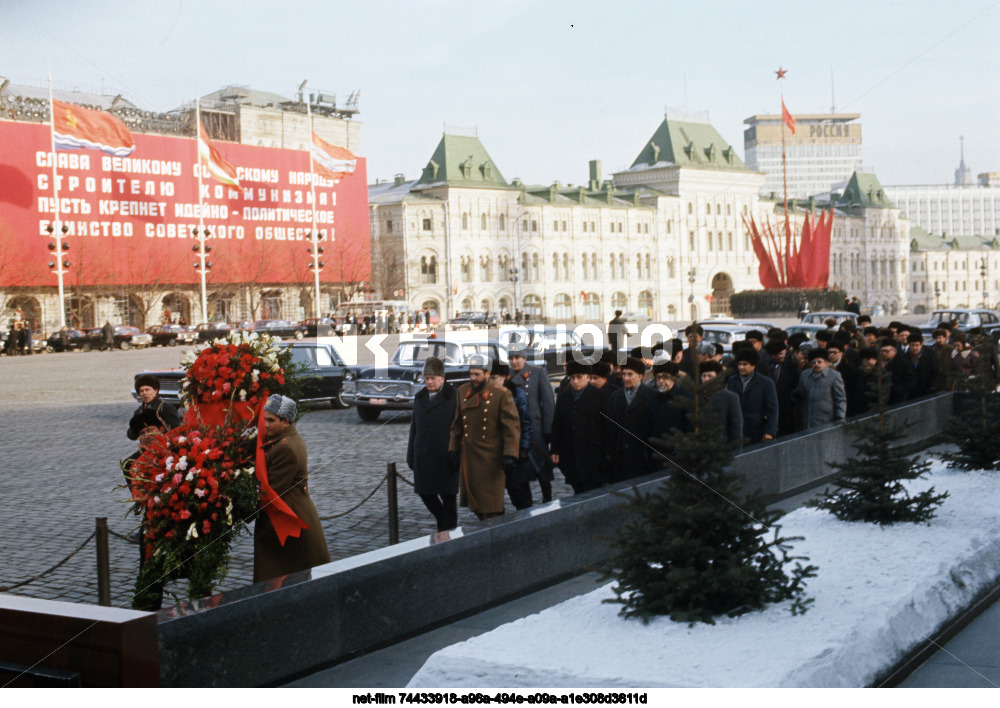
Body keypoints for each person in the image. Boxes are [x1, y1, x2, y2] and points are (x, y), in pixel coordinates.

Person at [254, 395, 331, 583]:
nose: (266, 425)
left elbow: (270, 494)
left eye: (271, 420)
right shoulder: (285, 440)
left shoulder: (285, 448)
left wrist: (239, 512)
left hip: (288, 527)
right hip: (289, 521)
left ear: (286, 421)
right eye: (265, 419)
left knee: (285, 583)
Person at [449, 355, 521, 520]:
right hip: (469, 459)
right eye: (471, 374)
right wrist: (453, 448)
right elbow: (457, 423)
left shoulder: (501, 395)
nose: (473, 378)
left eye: (477, 374)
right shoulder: (462, 391)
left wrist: (510, 454)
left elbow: (511, 427)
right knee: (478, 508)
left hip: (491, 460)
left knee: (490, 506)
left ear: (487, 374)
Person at [407, 357, 459, 532]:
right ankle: (444, 523)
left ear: (442, 379)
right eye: (426, 378)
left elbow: (460, 428)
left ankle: (448, 533)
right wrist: (411, 455)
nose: (428, 381)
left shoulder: (453, 396)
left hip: (446, 458)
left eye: (432, 378)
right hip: (424, 457)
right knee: (425, 492)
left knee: (449, 499)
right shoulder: (420, 397)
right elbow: (414, 428)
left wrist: (456, 454)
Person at [507, 344, 557, 503]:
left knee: (541, 464)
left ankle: (547, 496)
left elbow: (548, 402)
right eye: (511, 358)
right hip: (516, 429)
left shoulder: (537, 372)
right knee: (521, 468)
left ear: (524, 358)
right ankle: (526, 501)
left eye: (517, 358)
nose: (514, 362)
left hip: (536, 428)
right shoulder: (506, 376)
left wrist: (549, 429)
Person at [549, 360, 606, 494]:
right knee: (577, 488)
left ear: (587, 377)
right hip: (571, 454)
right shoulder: (563, 398)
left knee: (592, 490)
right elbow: (557, 425)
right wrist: (555, 449)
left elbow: (606, 427)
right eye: (572, 378)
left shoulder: (599, 396)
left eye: (579, 377)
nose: (575, 381)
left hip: (593, 454)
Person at [490, 360, 534, 510]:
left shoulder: (517, 395)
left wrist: (523, 449)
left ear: (504, 377)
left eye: (494, 377)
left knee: (520, 495)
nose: (491, 381)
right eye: (488, 377)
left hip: (515, 453)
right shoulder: (485, 395)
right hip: (494, 454)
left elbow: (526, 424)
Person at [602, 357, 655, 482]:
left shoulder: (651, 396)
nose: (626, 378)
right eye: (624, 374)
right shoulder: (615, 396)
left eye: (630, 374)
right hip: (620, 459)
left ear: (640, 376)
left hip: (642, 457)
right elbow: (610, 428)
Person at [725, 347, 778, 445]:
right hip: (735, 431)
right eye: (739, 364)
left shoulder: (766, 383)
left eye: (745, 364)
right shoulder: (732, 380)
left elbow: (772, 410)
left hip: (757, 430)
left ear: (753, 365)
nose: (741, 367)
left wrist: (769, 431)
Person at [647, 361, 692, 467]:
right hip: (657, 458)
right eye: (658, 378)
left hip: (681, 458)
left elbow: (691, 429)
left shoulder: (686, 398)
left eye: (665, 377)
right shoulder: (652, 399)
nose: (661, 381)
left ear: (673, 378)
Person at [792, 349, 847, 429]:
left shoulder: (834, 376)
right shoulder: (805, 375)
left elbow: (840, 398)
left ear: (825, 362)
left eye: (819, 362)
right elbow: (800, 389)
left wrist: (840, 418)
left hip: (826, 420)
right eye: (813, 362)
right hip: (808, 419)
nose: (816, 364)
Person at [699, 360, 744, 446]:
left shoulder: (730, 397)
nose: (706, 379)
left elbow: (736, 428)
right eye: (704, 376)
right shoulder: (696, 397)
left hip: (721, 448)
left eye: (710, 376)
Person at [127, 374, 181, 441]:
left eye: (147, 390)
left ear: (156, 391)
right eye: (141, 391)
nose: (144, 393)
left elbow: (175, 430)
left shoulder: (166, 407)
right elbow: (131, 434)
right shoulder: (138, 411)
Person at [879, 337, 915, 404]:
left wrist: (895, 390)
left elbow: (909, 381)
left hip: (897, 399)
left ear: (894, 351)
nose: (884, 353)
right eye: (882, 351)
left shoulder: (904, 363)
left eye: (886, 351)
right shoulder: (878, 362)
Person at [905, 334, 940, 400]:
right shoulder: (905, 357)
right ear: (909, 345)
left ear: (921, 345)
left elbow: (935, 371)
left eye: (917, 345)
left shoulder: (930, 354)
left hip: (927, 390)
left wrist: (932, 386)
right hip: (911, 392)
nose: (914, 348)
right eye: (912, 345)